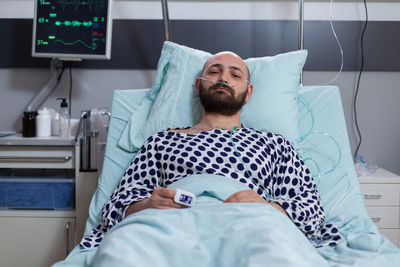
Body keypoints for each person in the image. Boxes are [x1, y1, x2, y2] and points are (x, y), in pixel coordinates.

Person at [80, 51, 342, 249]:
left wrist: (268, 207)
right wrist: (149, 204)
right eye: (214, 72)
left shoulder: (274, 144)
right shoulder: (161, 142)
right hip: (173, 233)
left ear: (248, 93)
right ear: (198, 86)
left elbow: (310, 207)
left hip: (250, 233)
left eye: (235, 74)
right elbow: (113, 208)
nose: (224, 78)